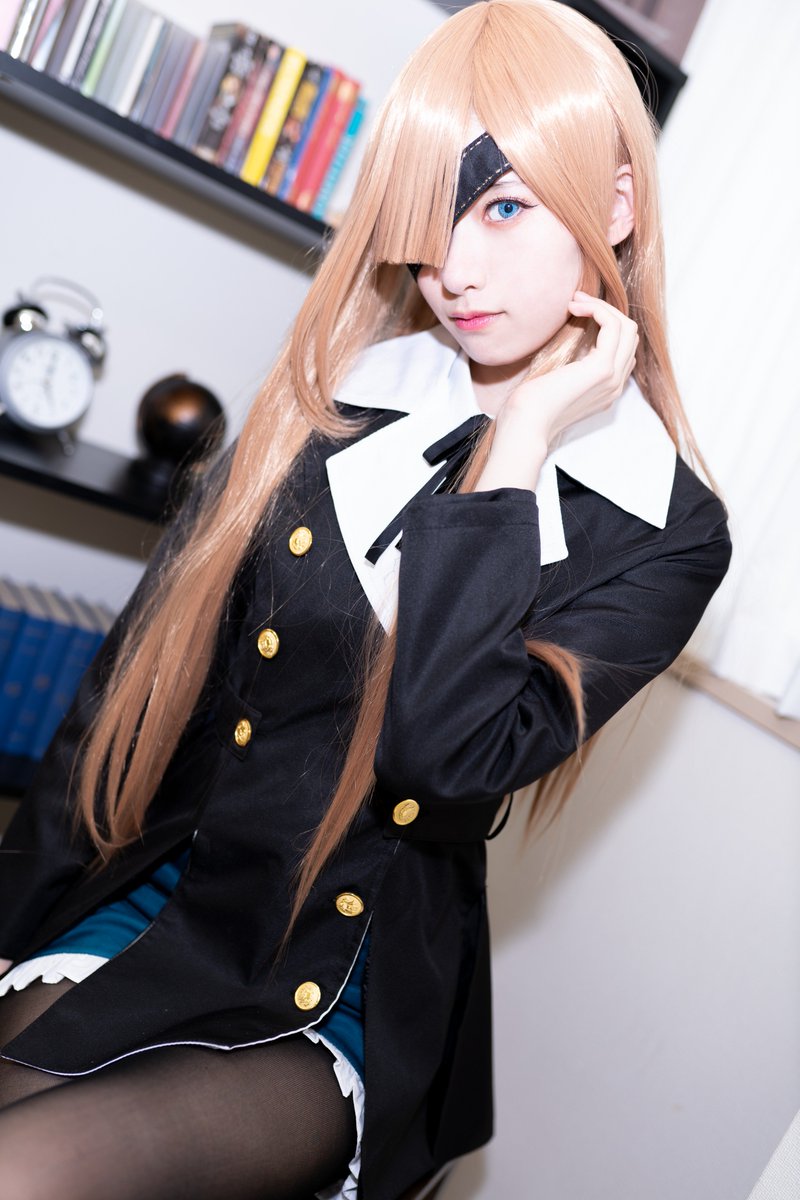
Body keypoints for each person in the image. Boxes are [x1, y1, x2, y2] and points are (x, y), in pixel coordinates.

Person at [0, 2, 731, 1197]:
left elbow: (443, 757)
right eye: (429, 213)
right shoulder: (334, 395)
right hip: (163, 893)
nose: (452, 267)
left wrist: (516, 448)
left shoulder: (661, 527)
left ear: (612, 207)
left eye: (503, 208)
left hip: (343, 976)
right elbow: (125, 695)